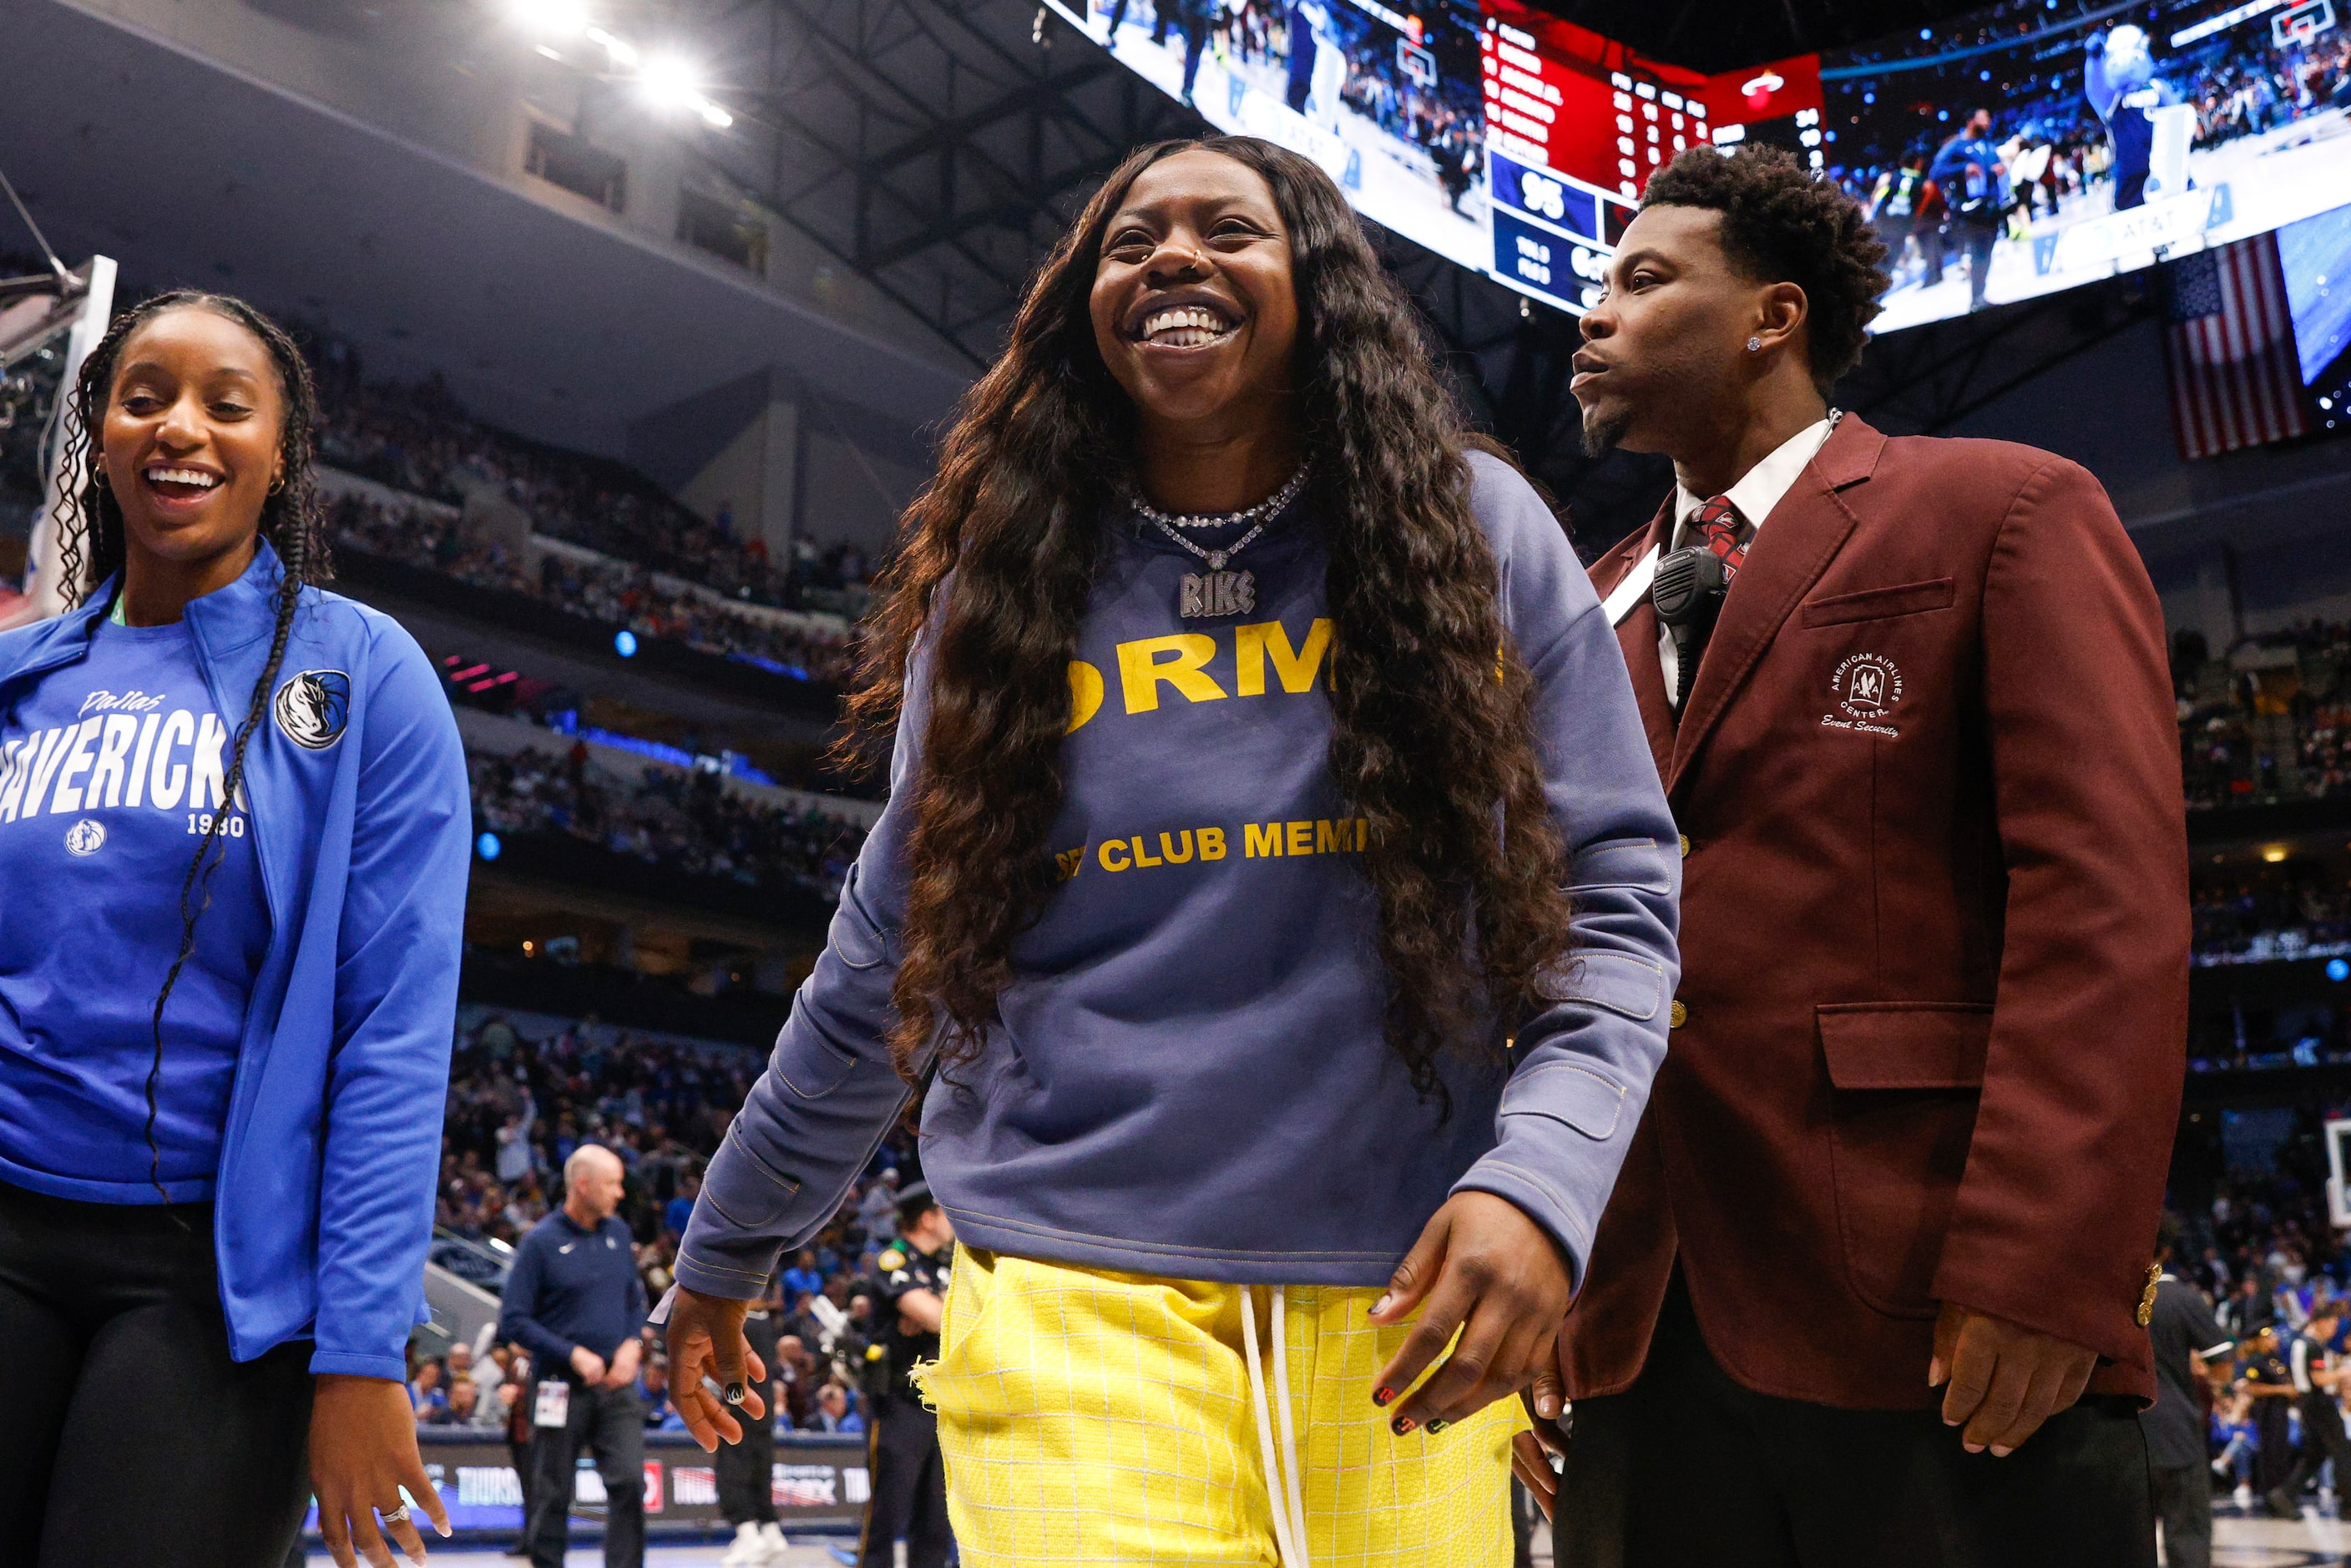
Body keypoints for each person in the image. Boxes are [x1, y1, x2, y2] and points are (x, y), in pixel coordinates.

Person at [664, 133, 1679, 1568]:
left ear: (1317, 284)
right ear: (1084, 302)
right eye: (1130, 239)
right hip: (1070, 1291)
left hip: (1399, 1297)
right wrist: (726, 1245)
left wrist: (1540, 1183)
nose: (1174, 257)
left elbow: (1614, 907)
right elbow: (884, 958)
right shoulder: (1005, 586)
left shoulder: (1470, 529)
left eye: (1230, 229)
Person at [1535, 144, 2187, 1566]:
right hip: (1636, 1325)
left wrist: (2046, 1262)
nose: (1594, 311)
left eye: (1642, 278)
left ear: (1773, 316)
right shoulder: (1575, 607)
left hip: (1937, 1306)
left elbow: (2104, 906)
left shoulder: (2001, 507)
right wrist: (1541, 1273)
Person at [0, 291, 471, 1568]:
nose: (180, 428)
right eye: (143, 395)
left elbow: (391, 1032)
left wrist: (365, 1353)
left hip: (209, 1283)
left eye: (225, 401)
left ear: (281, 447)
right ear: (97, 432)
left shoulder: (362, 675)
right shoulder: (19, 681)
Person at [498, 1145, 650, 1568]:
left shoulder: (618, 1234)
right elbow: (513, 1321)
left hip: (616, 1386)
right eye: (612, 1183)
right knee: (552, 1490)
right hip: (557, 1385)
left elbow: (633, 1303)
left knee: (630, 1483)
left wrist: (631, 1345)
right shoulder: (540, 1243)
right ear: (582, 1185)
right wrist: (573, 1353)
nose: (620, 1192)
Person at [857, 1183, 954, 1568]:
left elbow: (961, 1317)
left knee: (935, 1519)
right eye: (946, 1213)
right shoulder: (894, 1260)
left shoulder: (942, 1265)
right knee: (888, 1512)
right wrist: (937, 1312)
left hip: (941, 1406)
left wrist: (935, 1313)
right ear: (927, 1218)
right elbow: (939, 1317)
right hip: (900, 1404)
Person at [2142, 1216, 2233, 1568]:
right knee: (2188, 1535)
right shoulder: (2183, 1298)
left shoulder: (2107, 1298)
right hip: (2177, 1430)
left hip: (2120, 1430)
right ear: (2166, 1249)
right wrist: (2212, 1383)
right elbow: (2222, 1361)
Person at [717, 1277, 787, 1568]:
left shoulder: (741, 1326)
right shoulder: (766, 1326)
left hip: (740, 1412)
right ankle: (770, 1532)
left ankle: (748, 1534)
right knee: (760, 1473)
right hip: (763, 1413)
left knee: (732, 1473)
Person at [2270, 1297, 2351, 1517]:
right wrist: (2343, 1373)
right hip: (2319, 1403)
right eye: (2333, 1325)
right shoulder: (2312, 1345)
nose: (2334, 1331)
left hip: (2307, 1402)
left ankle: (2285, 1495)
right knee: (2342, 1451)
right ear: (2321, 1322)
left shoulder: (2301, 1342)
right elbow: (2318, 1378)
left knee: (2315, 1455)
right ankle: (2349, 1503)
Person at [1928, 109, 2008, 311]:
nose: (1989, 121)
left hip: (1991, 208)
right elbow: (1935, 171)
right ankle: (1976, 298)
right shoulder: (1956, 146)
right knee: (1979, 252)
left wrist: (1997, 169)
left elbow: (1991, 167)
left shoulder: (1989, 145)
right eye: (1985, 117)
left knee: (1986, 253)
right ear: (1972, 120)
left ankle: (1979, 296)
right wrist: (1963, 168)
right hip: (1970, 210)